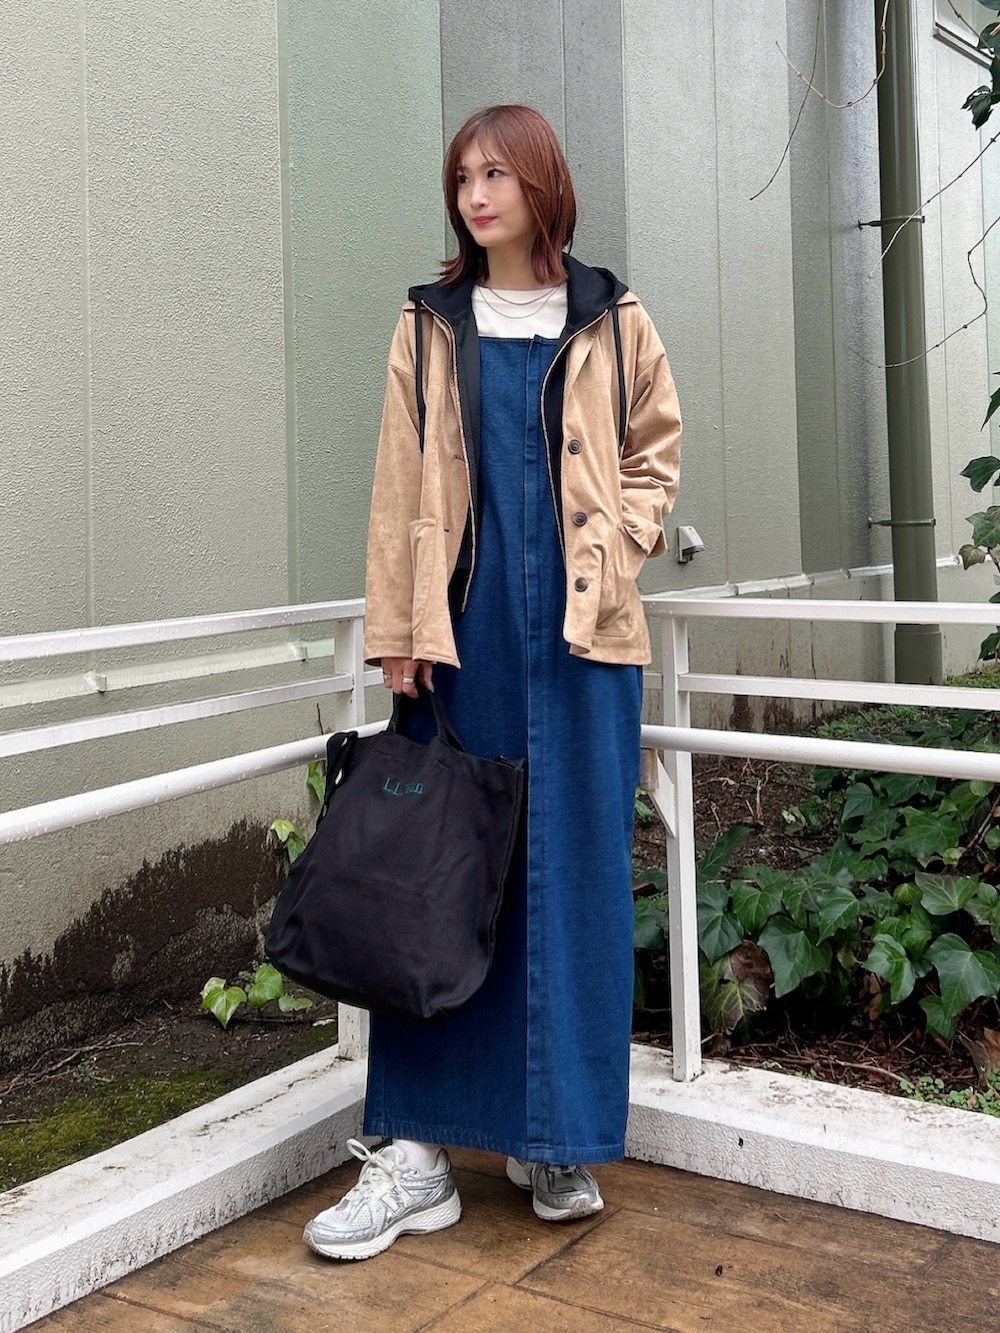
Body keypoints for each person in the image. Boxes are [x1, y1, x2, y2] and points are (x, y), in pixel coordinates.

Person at [303, 104, 681, 1262]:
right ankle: (416, 1157)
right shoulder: (430, 322)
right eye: (462, 176)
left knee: (571, 877)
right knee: (433, 879)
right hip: (459, 635)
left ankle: (551, 1139)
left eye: (495, 174)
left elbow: (655, 448)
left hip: (582, 638)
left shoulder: (611, 314)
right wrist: (398, 625)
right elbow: (397, 477)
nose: (474, 195)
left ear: (540, 185)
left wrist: (618, 543)